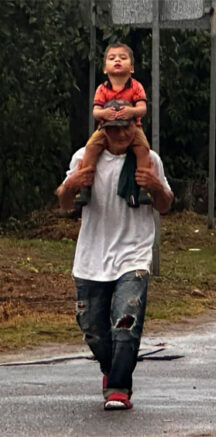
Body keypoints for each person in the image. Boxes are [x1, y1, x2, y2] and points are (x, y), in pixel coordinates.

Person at [55, 99, 174, 410]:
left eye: (127, 127)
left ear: (136, 127)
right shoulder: (84, 159)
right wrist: (72, 184)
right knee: (92, 328)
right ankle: (111, 370)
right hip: (91, 257)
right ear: (102, 130)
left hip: (133, 256)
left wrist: (156, 187)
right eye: (114, 129)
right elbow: (65, 203)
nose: (121, 134)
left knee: (125, 321)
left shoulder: (149, 161)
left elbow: (165, 204)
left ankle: (119, 388)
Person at [75, 43, 151, 207]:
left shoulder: (136, 86)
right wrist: (104, 114)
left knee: (143, 149)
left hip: (132, 127)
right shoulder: (102, 89)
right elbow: (96, 112)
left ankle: (145, 187)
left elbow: (142, 109)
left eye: (123, 58)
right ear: (105, 68)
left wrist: (131, 111)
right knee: (91, 148)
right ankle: (85, 186)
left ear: (131, 68)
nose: (117, 60)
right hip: (106, 128)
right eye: (112, 58)